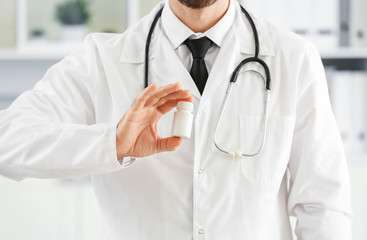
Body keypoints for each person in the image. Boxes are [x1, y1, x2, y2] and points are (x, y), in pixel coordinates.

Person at [0, 0, 352, 239]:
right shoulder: (101, 60)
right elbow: (7, 142)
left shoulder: (293, 58)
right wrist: (113, 142)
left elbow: (324, 205)